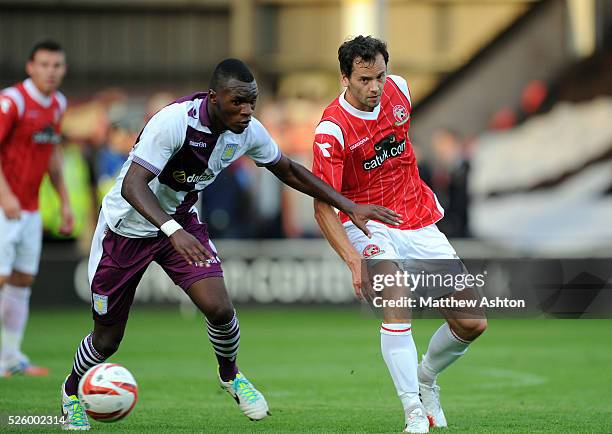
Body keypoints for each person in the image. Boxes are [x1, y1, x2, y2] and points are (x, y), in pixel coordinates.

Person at [59, 58, 401, 430]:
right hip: (127, 229)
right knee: (107, 340)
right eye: (237, 102)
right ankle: (71, 392)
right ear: (214, 98)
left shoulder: (247, 130)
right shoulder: (174, 122)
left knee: (220, 310)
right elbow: (133, 185)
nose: (246, 110)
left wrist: (348, 205)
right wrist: (173, 230)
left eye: (251, 102)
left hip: (181, 224)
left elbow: (287, 169)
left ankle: (231, 376)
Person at [311, 36, 487, 433]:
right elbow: (323, 206)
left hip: (417, 215)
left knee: (472, 321)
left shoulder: (401, 90)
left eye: (380, 76)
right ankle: (412, 411)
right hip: (369, 223)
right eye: (364, 79)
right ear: (345, 78)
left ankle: (425, 379)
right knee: (396, 293)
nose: (375, 87)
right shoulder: (332, 131)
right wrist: (354, 260)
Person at [0, 40, 73, 377]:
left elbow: (53, 154)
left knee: (22, 281)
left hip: (29, 210)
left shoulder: (57, 104)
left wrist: (65, 201)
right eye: (44, 64)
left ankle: (10, 357)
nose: (51, 71)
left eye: (56, 65)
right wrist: (6, 196)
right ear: (30, 67)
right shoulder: (11, 100)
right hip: (4, 206)